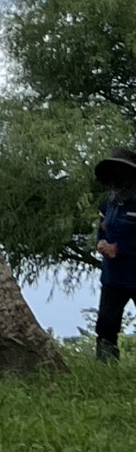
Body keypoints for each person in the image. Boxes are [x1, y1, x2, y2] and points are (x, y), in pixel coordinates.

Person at [93, 147, 136, 362]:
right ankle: (105, 367)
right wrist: (101, 242)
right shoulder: (108, 202)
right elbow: (102, 227)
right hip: (113, 277)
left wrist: (119, 248)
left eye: (121, 171)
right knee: (106, 324)